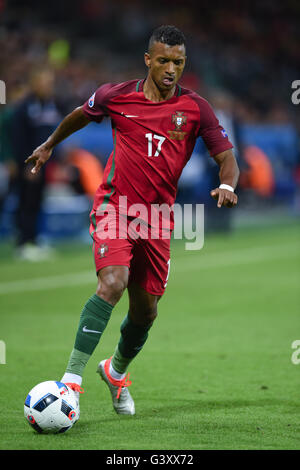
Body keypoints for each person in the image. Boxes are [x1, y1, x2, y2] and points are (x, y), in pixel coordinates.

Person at [25, 26, 239, 417]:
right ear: (148, 60)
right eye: (163, 61)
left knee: (146, 313)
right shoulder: (116, 95)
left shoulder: (196, 109)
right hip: (115, 208)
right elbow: (79, 115)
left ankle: (116, 370)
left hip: (157, 219)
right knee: (112, 282)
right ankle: (70, 383)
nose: (171, 69)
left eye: (178, 62)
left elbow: (226, 156)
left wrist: (227, 183)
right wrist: (49, 144)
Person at [12, 67, 63, 261]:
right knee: (26, 201)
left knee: (38, 201)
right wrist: (24, 164)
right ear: (34, 84)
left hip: (44, 165)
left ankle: (34, 239)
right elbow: (19, 138)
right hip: (28, 165)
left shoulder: (51, 105)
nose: (48, 86)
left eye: (50, 82)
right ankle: (23, 242)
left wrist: (55, 160)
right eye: (44, 82)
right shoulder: (24, 108)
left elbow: (53, 136)